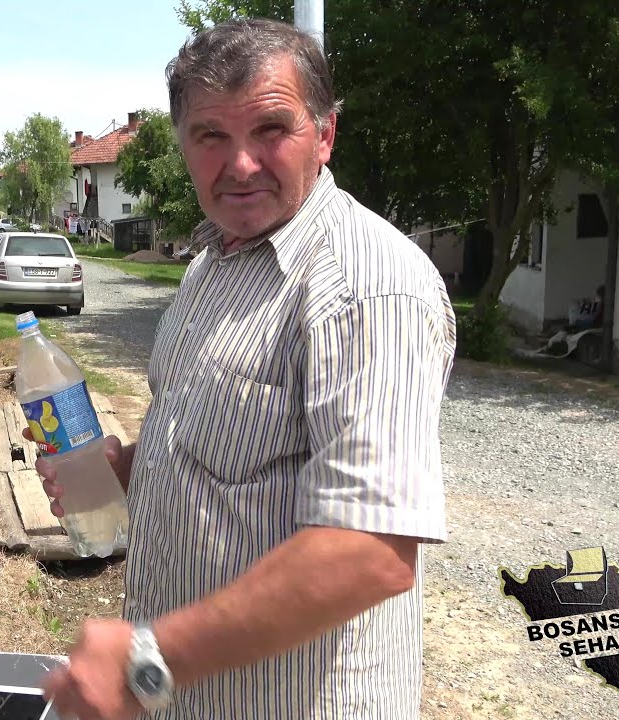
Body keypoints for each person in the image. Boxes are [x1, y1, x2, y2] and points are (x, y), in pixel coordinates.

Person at [32, 18, 457, 720]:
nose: (241, 165)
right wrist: (127, 466)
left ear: (324, 135)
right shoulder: (213, 262)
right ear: (182, 146)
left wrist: (146, 663)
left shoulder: (367, 285)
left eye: (270, 130)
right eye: (211, 137)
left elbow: (371, 551)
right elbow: (228, 444)